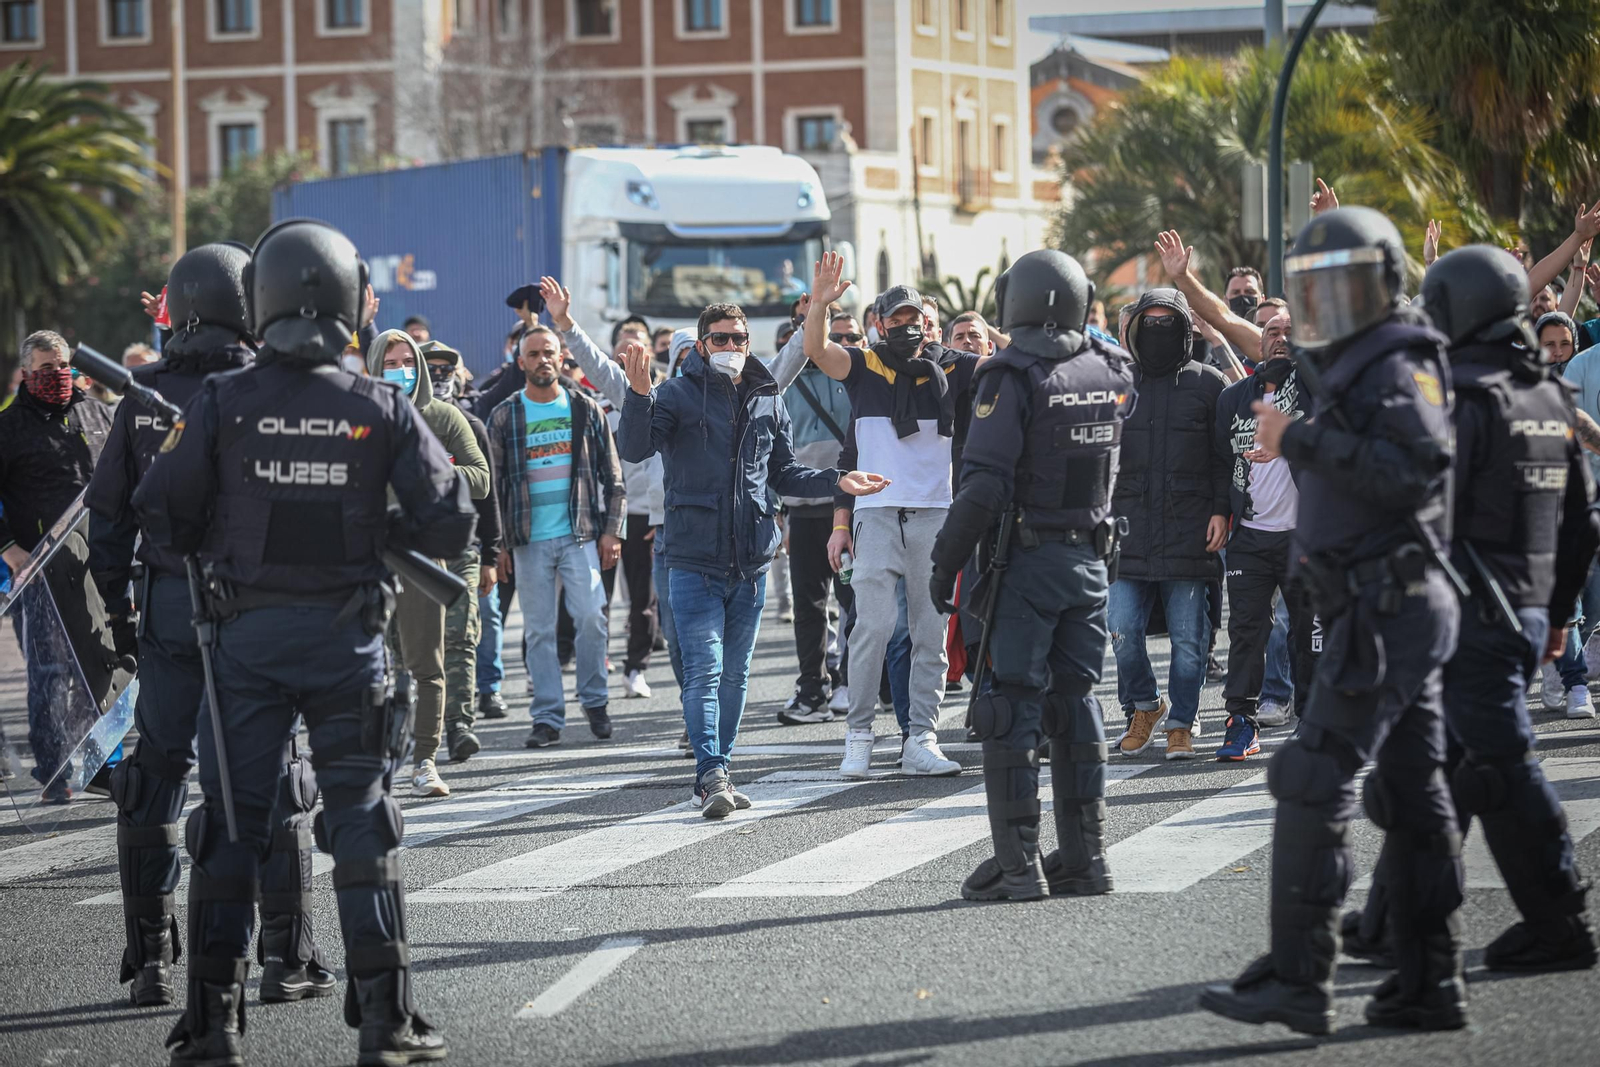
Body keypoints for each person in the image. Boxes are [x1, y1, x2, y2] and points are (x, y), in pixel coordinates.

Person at [132, 218, 475, 1066]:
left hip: (240, 647)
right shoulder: (379, 404)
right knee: (363, 823)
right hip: (346, 644)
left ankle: (209, 1027)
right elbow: (452, 519)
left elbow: (160, 508)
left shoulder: (219, 402)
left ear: (265, 301)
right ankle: (385, 1023)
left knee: (232, 828)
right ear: (352, 305)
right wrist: (370, 521)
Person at [1200, 207, 1464, 1035]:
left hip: (1389, 603)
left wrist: (1301, 443)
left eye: (1344, 282)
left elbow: (1416, 466)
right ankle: (1430, 981)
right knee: (1412, 794)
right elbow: (1245, 328)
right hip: (1380, 600)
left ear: (1382, 284)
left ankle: (1300, 979)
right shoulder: (1352, 359)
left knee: (1314, 777)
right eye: (1315, 287)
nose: (1328, 301)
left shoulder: (1397, 359)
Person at [85, 245, 340, 1009]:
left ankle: (153, 956)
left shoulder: (141, 396)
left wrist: (125, 618)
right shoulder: (281, 387)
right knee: (271, 776)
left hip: (166, 603)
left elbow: (107, 521)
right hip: (259, 607)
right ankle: (282, 957)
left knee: (152, 775)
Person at [1339, 244, 1600, 982]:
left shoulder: (1458, 392)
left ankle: (1561, 924)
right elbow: (1581, 522)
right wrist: (1553, 614)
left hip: (1466, 615)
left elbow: (1416, 506)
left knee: (1504, 769)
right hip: (1521, 610)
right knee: (1439, 766)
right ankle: (1389, 920)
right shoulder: (1549, 394)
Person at [616, 301, 887, 817]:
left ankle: (720, 767)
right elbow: (633, 447)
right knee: (704, 671)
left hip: (753, 560)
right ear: (701, 346)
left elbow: (783, 472)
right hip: (693, 558)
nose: (732, 348)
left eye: (740, 339)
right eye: (720, 339)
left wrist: (838, 483)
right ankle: (710, 773)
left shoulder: (767, 396)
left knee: (736, 675)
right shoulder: (673, 394)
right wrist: (637, 395)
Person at [930, 250, 1136, 901]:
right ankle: (1086, 858)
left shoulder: (1010, 377)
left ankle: (1019, 867)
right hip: (1090, 562)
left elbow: (985, 485)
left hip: (1026, 562)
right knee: (1076, 704)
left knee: (1008, 709)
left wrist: (945, 560)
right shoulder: (1107, 370)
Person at [804, 262, 981, 779]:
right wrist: (819, 302)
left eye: (915, 318)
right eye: (897, 318)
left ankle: (920, 739)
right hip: (876, 515)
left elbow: (1009, 365)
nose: (908, 327)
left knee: (931, 632)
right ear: (880, 323)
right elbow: (816, 351)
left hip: (936, 515)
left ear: (927, 323)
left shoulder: (956, 368)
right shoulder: (864, 366)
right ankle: (859, 735)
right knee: (874, 629)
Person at [486, 324, 625, 748]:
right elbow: (492, 487)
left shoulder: (585, 408)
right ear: (521, 361)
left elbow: (613, 478)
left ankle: (595, 701)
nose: (543, 359)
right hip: (528, 540)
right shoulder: (505, 414)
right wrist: (498, 546)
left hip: (580, 534)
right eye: (534, 354)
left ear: (562, 357)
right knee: (539, 631)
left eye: (549, 352)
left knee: (590, 618)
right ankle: (547, 717)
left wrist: (610, 531)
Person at [1106, 289, 1230, 761]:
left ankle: (1181, 722)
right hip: (1127, 529)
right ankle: (1145, 706)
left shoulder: (1209, 383)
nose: (1158, 331)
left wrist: (1221, 510)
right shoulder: (1117, 382)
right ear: (1135, 329)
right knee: (1121, 630)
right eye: (1149, 322)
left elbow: (1224, 459)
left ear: (1185, 329)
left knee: (1189, 639)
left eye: (1168, 323)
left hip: (1191, 527)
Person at [367, 328, 491, 796]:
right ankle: (367, 760)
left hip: (420, 556)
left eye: (409, 362)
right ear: (375, 365)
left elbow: (480, 479)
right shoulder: (359, 414)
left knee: (428, 663)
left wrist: (433, 471)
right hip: (364, 554)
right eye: (391, 362)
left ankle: (424, 760)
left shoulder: (443, 417)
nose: (402, 371)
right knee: (363, 663)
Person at [0, 330, 114, 802]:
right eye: (46, 369)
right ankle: (54, 773)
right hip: (38, 570)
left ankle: (98, 762)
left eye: (62, 365)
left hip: (99, 562)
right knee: (50, 671)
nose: (57, 376)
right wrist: (9, 549)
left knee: (104, 665)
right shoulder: (8, 427)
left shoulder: (95, 410)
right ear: (27, 373)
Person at [537, 277, 662, 702]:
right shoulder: (607, 394)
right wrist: (566, 322)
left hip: (648, 512)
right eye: (624, 345)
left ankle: (636, 669)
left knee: (644, 599)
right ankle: (597, 666)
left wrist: (662, 512)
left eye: (639, 344)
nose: (632, 351)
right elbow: (587, 357)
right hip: (609, 513)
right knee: (597, 599)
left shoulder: (668, 394)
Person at [1208, 308, 1317, 758]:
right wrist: (1219, 512)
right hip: (1249, 537)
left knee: (1309, 634)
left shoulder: (1314, 388)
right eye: (1272, 331)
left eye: (1290, 331)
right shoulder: (1234, 397)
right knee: (1247, 631)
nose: (1280, 338)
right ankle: (1240, 721)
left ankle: (1312, 721)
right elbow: (1219, 463)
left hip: (1304, 535)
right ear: (1258, 342)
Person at [419, 340, 503, 761]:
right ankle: (417, 728)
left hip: (462, 547)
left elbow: (487, 496)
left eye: (445, 368)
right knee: (411, 643)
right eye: (428, 366)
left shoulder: (467, 424)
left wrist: (491, 554)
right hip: (407, 548)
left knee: (461, 635)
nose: (437, 375)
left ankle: (460, 723)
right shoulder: (389, 418)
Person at [776, 308, 857, 722]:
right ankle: (812, 689)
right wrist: (779, 513)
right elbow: (770, 454)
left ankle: (848, 682)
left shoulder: (849, 375)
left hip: (847, 507)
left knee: (850, 599)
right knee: (808, 605)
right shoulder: (782, 386)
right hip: (803, 512)